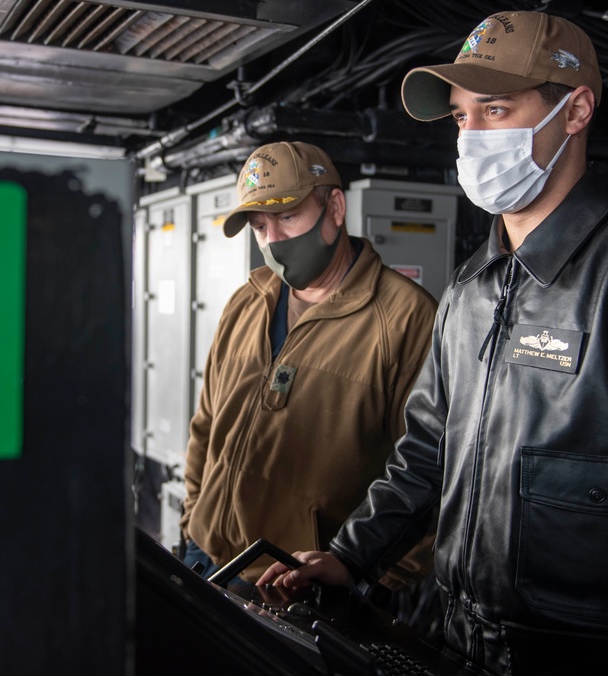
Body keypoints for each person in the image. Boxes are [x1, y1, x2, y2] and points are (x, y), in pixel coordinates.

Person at [258, 11, 608, 675]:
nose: (470, 139)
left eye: (495, 110)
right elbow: (427, 452)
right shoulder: (471, 287)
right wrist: (352, 556)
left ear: (575, 111)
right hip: (453, 643)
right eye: (462, 118)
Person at [179, 140, 438, 588]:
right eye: (260, 227)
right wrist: (193, 516)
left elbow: (426, 470)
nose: (273, 241)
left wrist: (369, 579)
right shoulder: (246, 302)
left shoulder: (404, 317)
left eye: (287, 217)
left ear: (334, 208)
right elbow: (206, 426)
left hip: (294, 583)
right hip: (206, 557)